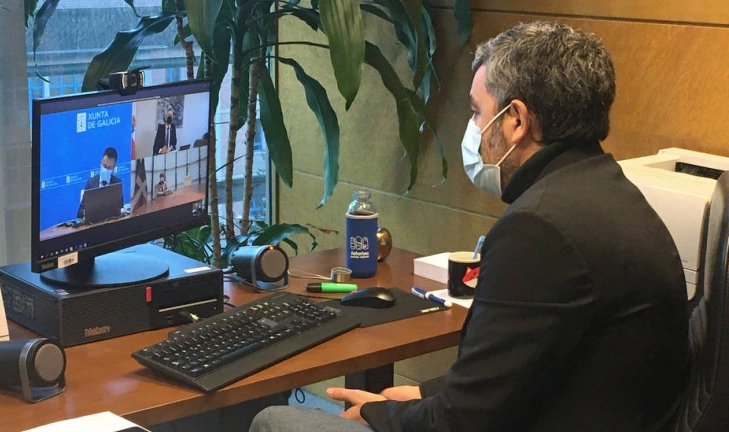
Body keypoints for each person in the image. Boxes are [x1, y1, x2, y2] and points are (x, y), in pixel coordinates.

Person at [250, 21, 690, 431]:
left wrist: (380, 413)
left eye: (477, 112)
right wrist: (423, 393)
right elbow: (516, 369)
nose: (473, 129)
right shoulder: (610, 192)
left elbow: (462, 422)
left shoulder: (540, 228)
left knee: (277, 421)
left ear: (516, 120)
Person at [77, 146, 122, 218]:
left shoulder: (117, 183)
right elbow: (79, 212)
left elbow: (120, 209)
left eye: (109, 167)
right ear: (101, 163)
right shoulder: (91, 183)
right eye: (104, 166)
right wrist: (88, 212)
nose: (106, 170)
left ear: (114, 167)